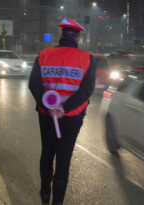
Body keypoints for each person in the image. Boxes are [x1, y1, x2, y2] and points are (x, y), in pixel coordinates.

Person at [28, 18, 96, 205]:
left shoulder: (43, 55)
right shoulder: (87, 59)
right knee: (64, 158)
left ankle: (44, 195)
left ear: (61, 35)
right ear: (78, 37)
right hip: (71, 117)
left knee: (47, 153)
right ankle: (57, 202)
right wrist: (63, 108)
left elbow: (34, 84)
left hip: (47, 115)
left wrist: (50, 107)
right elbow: (86, 91)